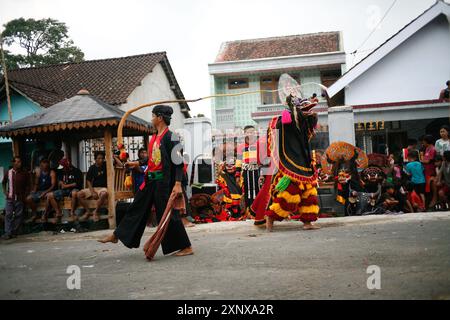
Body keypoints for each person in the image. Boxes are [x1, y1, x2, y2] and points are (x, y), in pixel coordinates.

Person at [99, 105, 193, 258]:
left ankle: (186, 246)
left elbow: (178, 163)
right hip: (150, 181)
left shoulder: (172, 137)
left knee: (167, 214)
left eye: (153, 116)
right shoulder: (154, 138)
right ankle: (118, 235)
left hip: (164, 182)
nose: (152, 118)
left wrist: (177, 184)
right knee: (137, 206)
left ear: (160, 118)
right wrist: (136, 164)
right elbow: (152, 160)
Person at [265, 94, 320, 231]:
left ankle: (307, 222)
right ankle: (270, 218)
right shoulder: (285, 121)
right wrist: (290, 108)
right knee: (290, 195)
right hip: (291, 164)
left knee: (310, 194)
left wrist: (309, 113)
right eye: (306, 109)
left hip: (304, 163)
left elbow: (311, 126)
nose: (310, 111)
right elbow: (278, 127)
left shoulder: (304, 125)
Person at [1, 157, 31, 239]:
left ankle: (14, 232)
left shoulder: (24, 173)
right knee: (8, 215)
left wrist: (26, 194)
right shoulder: (9, 172)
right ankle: (7, 233)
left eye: (20, 162)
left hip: (20, 198)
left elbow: (28, 185)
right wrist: (5, 192)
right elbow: (3, 183)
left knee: (19, 215)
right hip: (10, 198)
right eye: (17, 162)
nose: (19, 163)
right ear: (13, 163)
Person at [46, 158, 83, 222]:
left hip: (74, 190)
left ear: (67, 166)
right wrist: (60, 182)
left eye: (63, 167)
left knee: (74, 193)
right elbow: (60, 181)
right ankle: (58, 212)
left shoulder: (76, 171)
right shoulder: (61, 171)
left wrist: (66, 186)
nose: (62, 169)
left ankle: (72, 212)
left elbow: (77, 183)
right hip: (64, 191)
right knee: (49, 195)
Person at [236, 125, 261, 213]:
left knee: (258, 190)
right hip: (246, 171)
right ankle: (249, 212)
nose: (251, 134)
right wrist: (237, 174)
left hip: (258, 171)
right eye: (248, 132)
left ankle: (258, 211)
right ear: (245, 134)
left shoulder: (259, 144)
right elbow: (238, 160)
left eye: (252, 132)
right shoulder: (241, 146)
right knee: (248, 191)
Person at [78, 151, 108, 222]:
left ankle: (96, 211)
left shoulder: (106, 165)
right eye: (99, 158)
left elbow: (120, 164)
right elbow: (88, 181)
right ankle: (88, 211)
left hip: (103, 188)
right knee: (79, 194)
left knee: (103, 194)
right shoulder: (92, 168)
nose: (101, 160)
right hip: (94, 188)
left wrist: (114, 157)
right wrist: (92, 192)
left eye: (102, 158)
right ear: (95, 159)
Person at [421, 134, 437, 208]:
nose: (423, 143)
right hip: (425, 171)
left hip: (431, 171)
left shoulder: (433, 149)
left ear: (427, 141)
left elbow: (428, 161)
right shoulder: (427, 148)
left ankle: (434, 200)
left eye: (423, 141)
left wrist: (420, 160)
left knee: (431, 185)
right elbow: (424, 159)